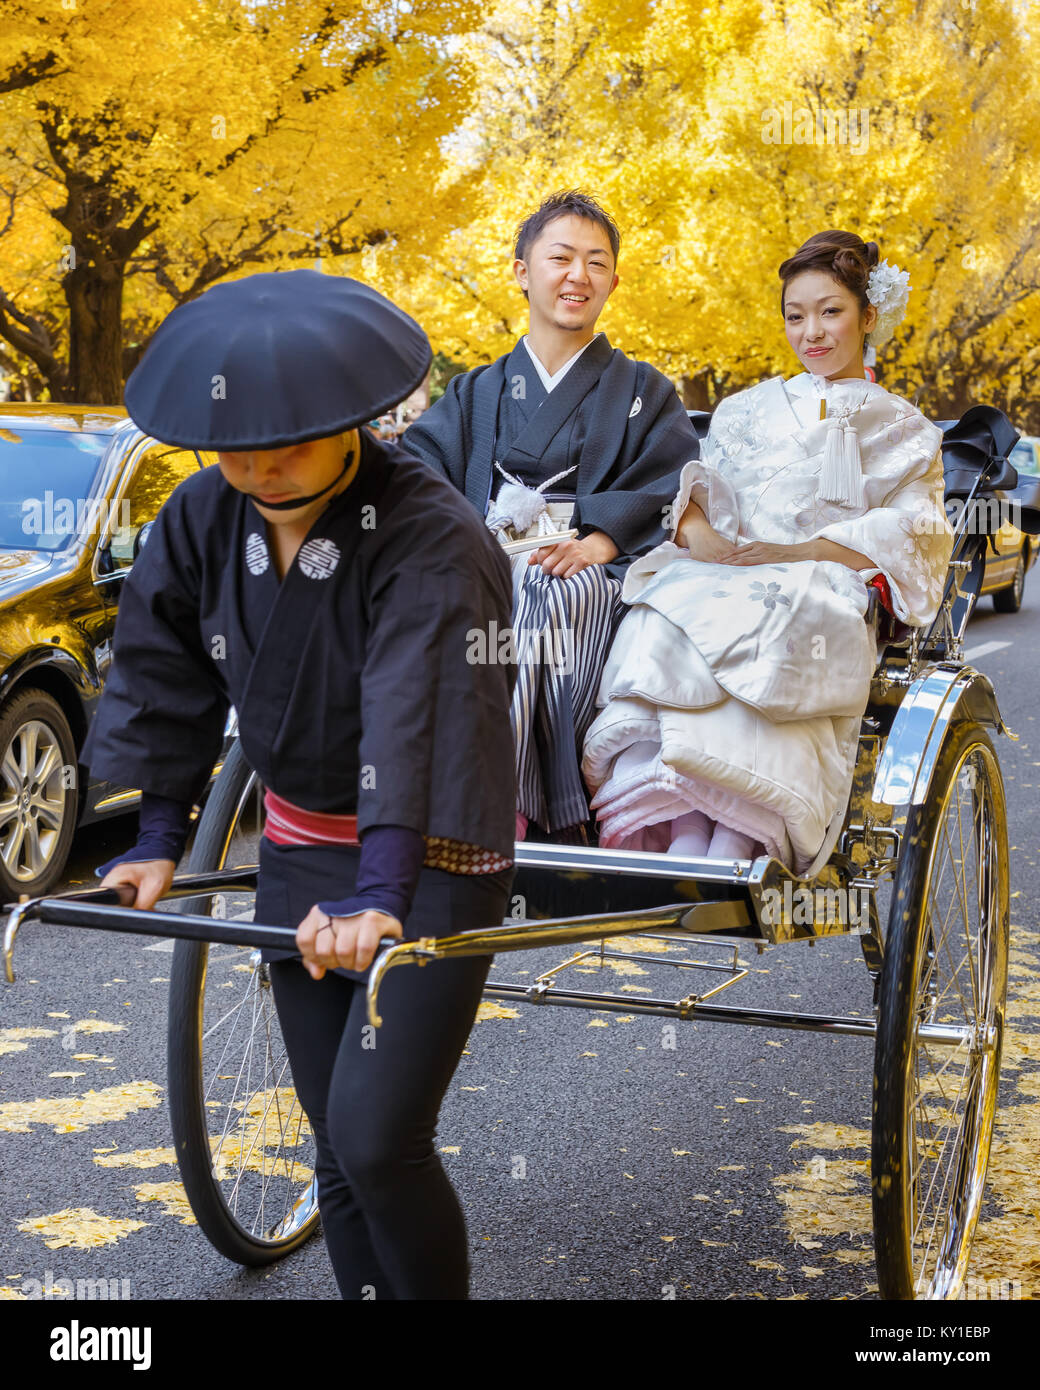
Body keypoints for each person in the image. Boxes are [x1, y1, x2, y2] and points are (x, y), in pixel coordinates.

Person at [81, 269, 518, 1301]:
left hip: (433, 853)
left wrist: (380, 891)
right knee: (331, 1145)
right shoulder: (199, 517)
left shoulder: (431, 534)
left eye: (291, 442)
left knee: (378, 1139)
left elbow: (415, 710)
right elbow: (161, 667)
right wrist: (154, 834)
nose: (263, 465)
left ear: (352, 419)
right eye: (238, 448)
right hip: (295, 846)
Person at [581, 231, 954, 872]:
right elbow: (709, 492)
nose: (812, 331)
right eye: (795, 314)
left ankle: (745, 826)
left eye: (831, 311)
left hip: (829, 576)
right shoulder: (742, 410)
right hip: (737, 565)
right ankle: (671, 808)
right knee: (664, 599)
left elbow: (914, 528)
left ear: (868, 316)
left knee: (785, 611)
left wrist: (801, 550)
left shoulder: (905, 427)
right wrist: (700, 532)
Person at [402, 190, 702, 842]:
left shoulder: (645, 392)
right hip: (482, 560)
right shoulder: (476, 390)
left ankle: (503, 797)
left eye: (596, 263)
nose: (578, 276)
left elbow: (671, 484)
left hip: (592, 574)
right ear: (522, 271)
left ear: (613, 282)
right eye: (561, 257)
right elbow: (419, 480)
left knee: (543, 583)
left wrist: (601, 538)